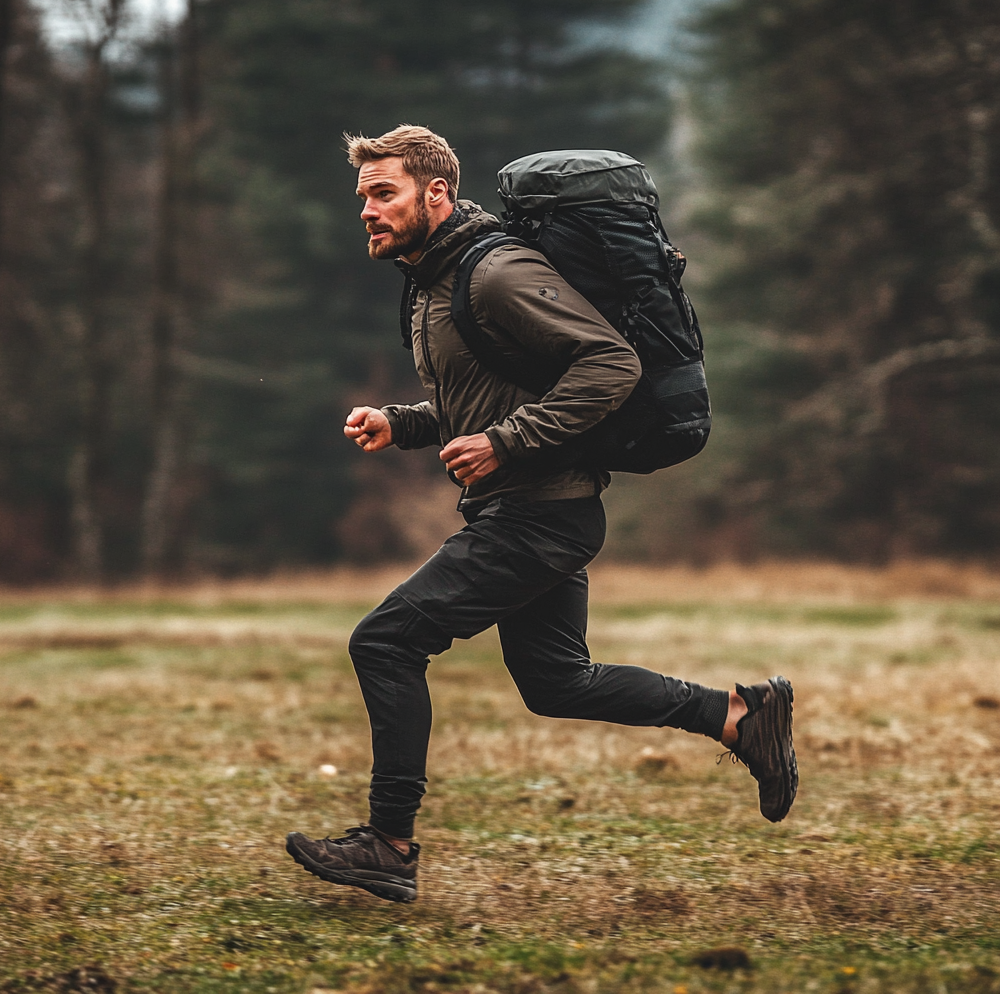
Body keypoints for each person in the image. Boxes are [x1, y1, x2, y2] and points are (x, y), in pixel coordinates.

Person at [285, 125, 797, 904]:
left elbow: (610, 364)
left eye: (382, 192)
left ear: (437, 194)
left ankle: (388, 844)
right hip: (533, 508)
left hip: (540, 515)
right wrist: (405, 422)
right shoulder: (433, 281)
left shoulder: (495, 273)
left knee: (385, 642)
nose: (366, 210)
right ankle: (740, 718)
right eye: (362, 196)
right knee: (557, 681)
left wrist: (504, 442)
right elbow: (488, 396)